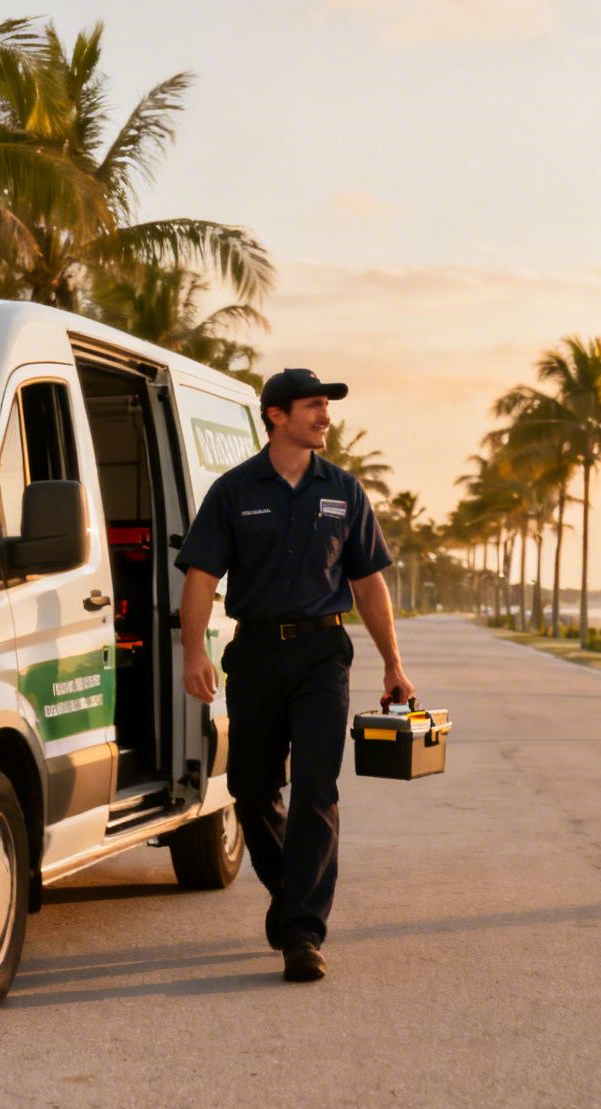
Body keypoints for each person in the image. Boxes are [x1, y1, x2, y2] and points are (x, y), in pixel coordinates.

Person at [175, 367, 416, 983]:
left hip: (321, 656)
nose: (325, 416)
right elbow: (201, 576)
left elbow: (367, 582)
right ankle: (288, 896)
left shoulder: (344, 491)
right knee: (253, 791)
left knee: (316, 788)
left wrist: (392, 662)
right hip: (255, 654)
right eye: (313, 406)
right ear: (277, 416)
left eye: (326, 407)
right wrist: (194, 653)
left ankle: (303, 931)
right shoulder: (233, 491)